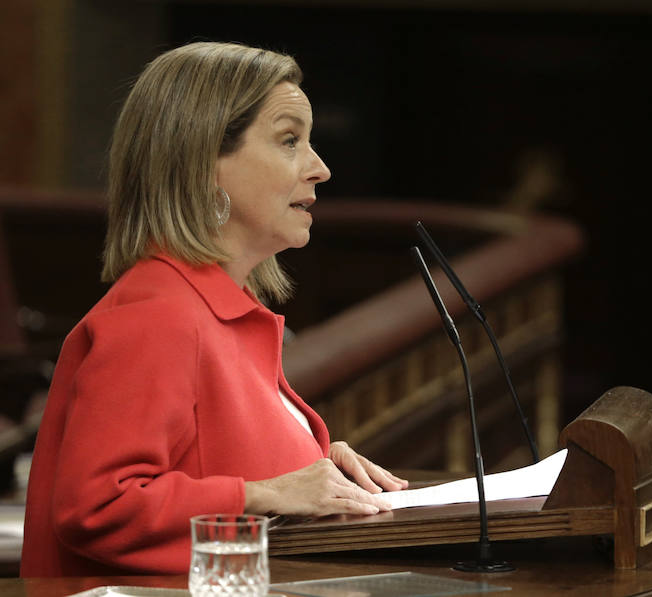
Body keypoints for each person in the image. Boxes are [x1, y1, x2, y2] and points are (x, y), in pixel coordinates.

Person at [20, 41, 408, 577]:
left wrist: (309, 466)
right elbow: (97, 509)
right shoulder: (159, 315)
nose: (320, 168)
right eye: (290, 140)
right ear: (202, 162)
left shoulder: (215, 308)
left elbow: (205, 468)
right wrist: (270, 491)